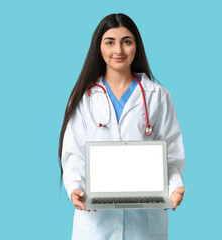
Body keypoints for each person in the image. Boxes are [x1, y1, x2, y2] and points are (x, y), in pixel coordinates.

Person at [58, 13, 185, 240]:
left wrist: (174, 187)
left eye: (127, 41)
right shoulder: (84, 98)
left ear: (136, 46)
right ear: (99, 47)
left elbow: (170, 154)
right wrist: (74, 189)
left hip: (144, 225)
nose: (119, 50)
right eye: (110, 42)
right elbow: (74, 154)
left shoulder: (157, 96)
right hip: (96, 223)